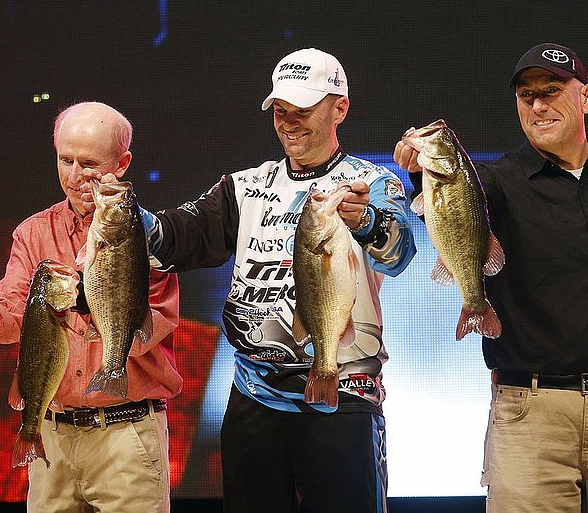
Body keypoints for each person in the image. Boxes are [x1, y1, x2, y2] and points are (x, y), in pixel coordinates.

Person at [83, 48, 416, 512]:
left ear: (340, 107)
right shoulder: (244, 187)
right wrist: (124, 212)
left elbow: (398, 256)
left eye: (302, 111)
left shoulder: (372, 182)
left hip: (344, 399)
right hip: (254, 399)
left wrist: (365, 223)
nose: (289, 122)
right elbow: (175, 238)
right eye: (281, 111)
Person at [395, 42, 588, 512]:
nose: (538, 105)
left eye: (552, 91)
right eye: (526, 96)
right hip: (530, 415)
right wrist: (423, 172)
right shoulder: (495, 182)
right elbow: (455, 199)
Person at [0, 102, 181, 512]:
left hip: (126, 435)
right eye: (66, 161)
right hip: (50, 436)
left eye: (90, 163)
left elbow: (156, 323)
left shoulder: (150, 235)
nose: (77, 175)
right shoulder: (33, 233)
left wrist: (88, 300)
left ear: (122, 163)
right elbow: (10, 311)